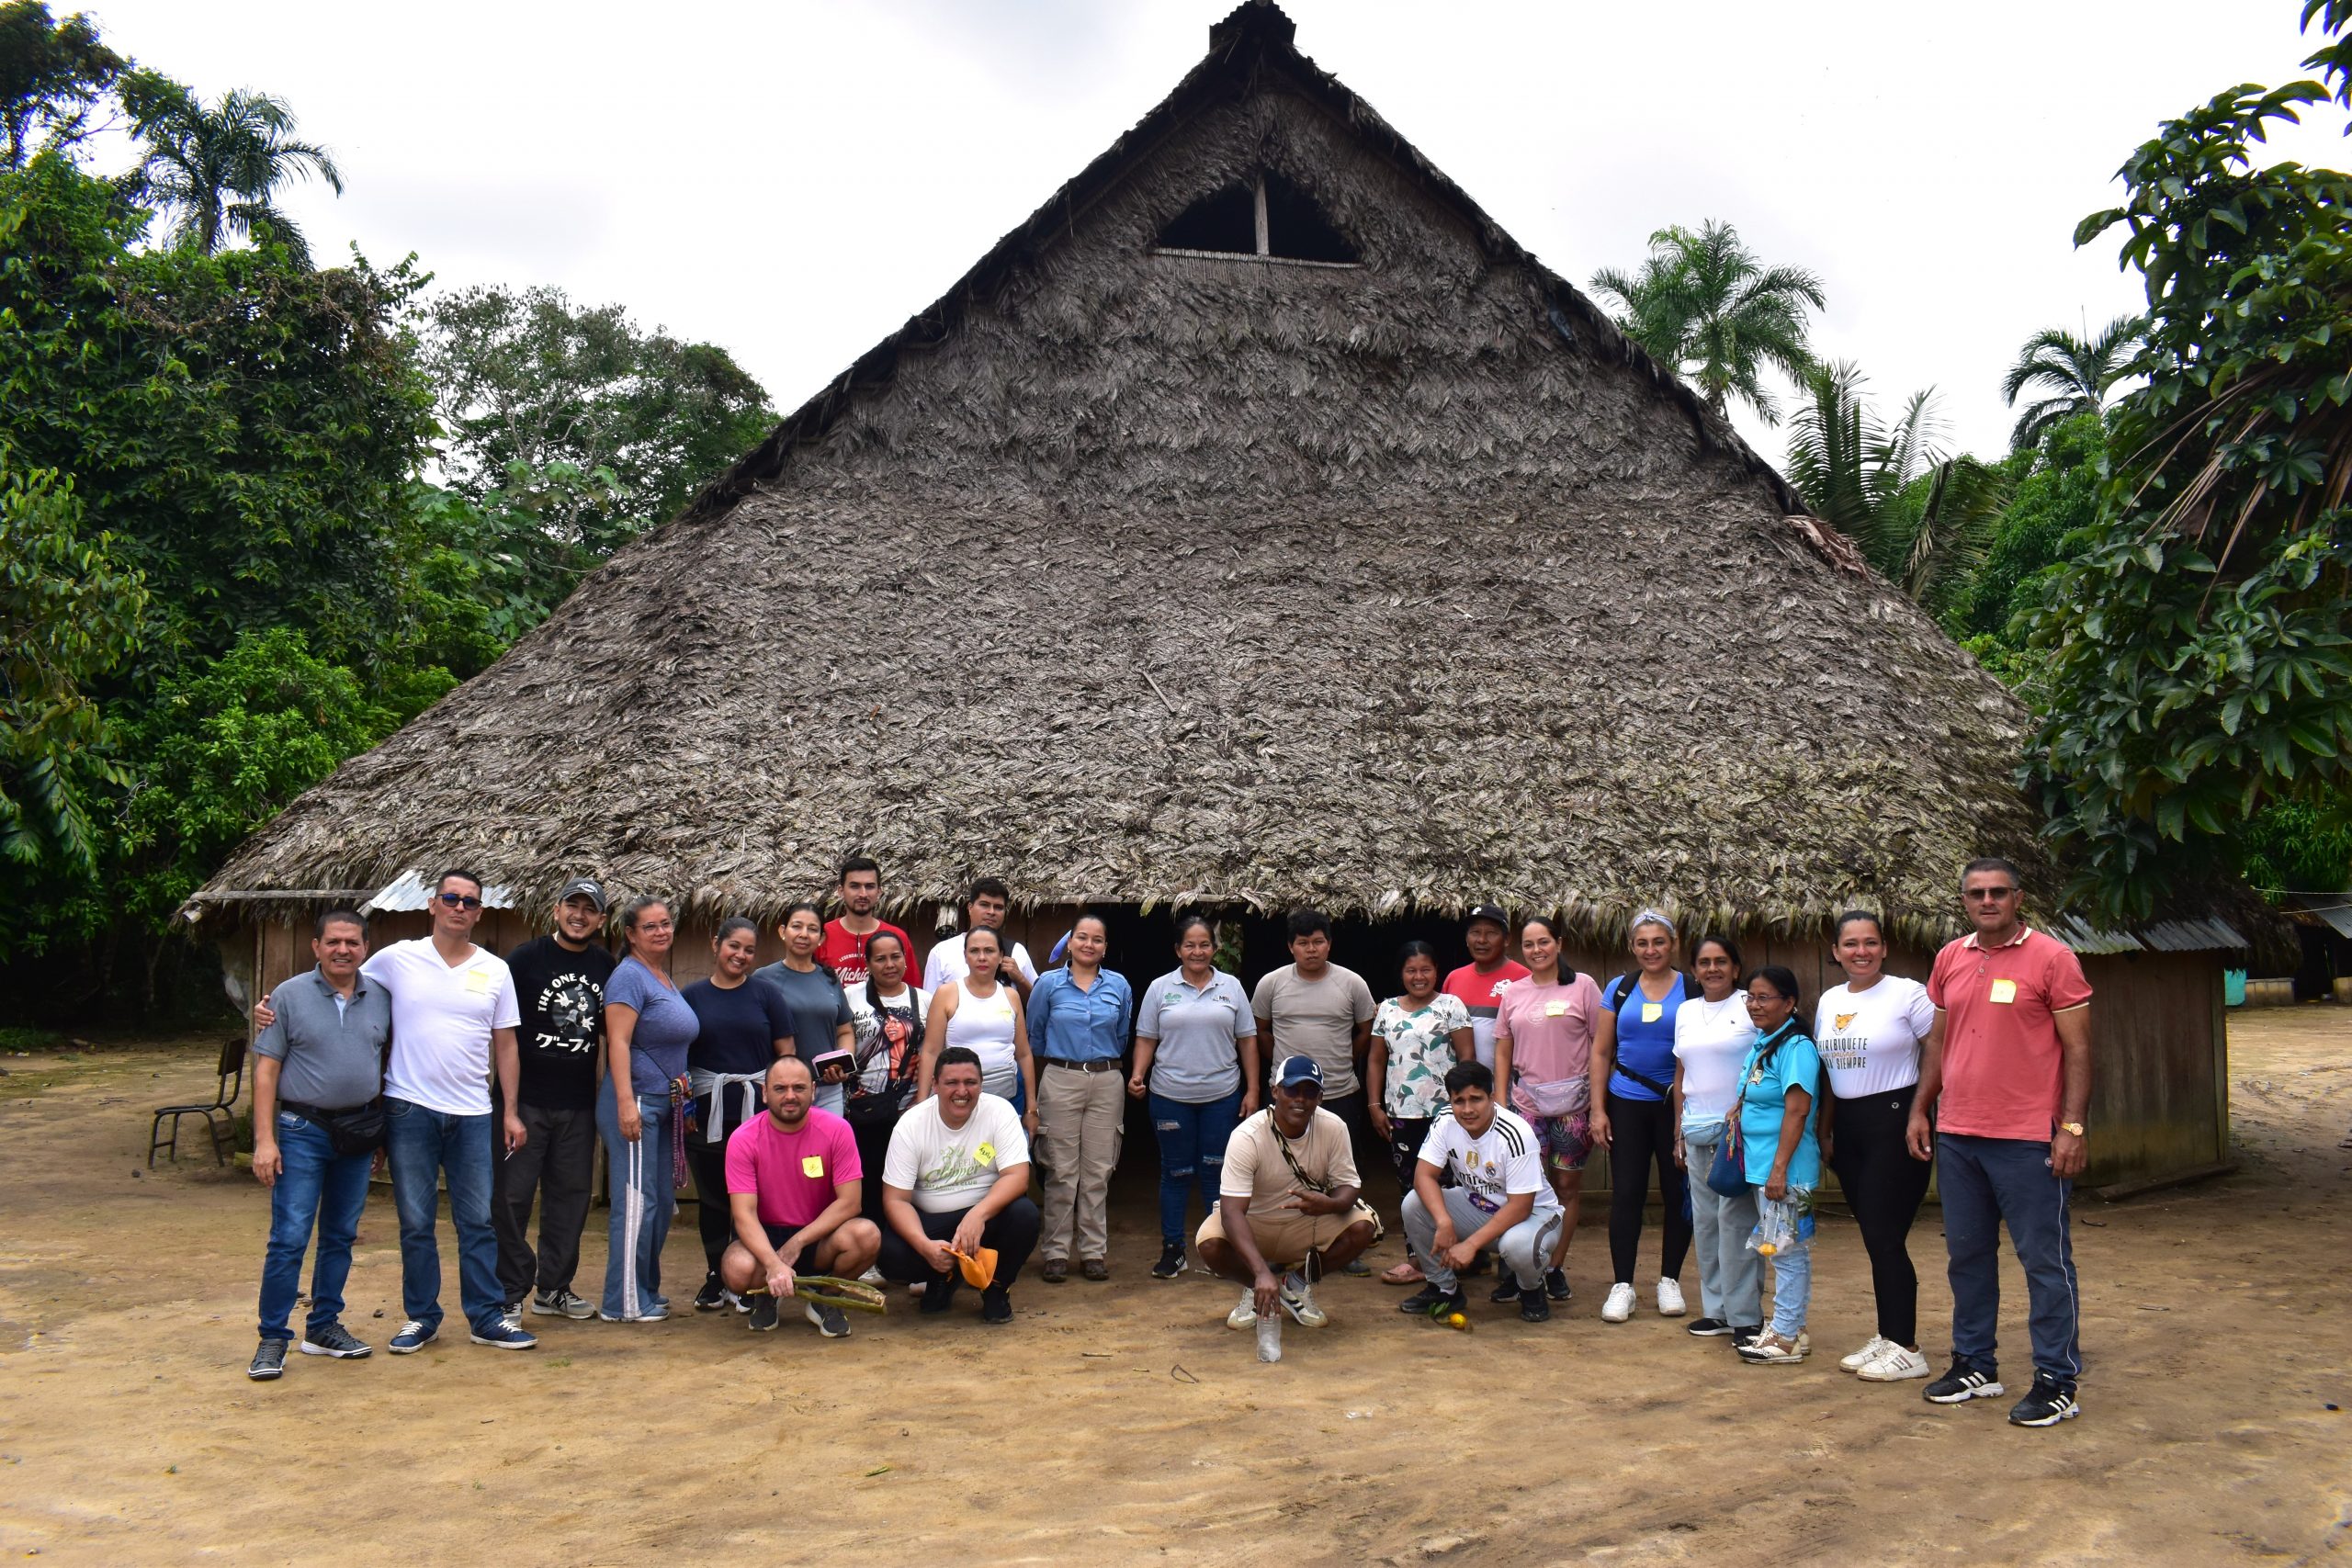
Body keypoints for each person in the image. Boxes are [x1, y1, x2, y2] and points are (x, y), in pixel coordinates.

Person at [1907, 856, 2094, 1427]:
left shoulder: (2053, 959)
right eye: (1975, 894)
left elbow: (2081, 1051)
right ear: (1964, 901)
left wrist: (2072, 1128)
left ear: (2017, 899)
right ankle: (1974, 1364)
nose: (1986, 901)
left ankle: (2057, 1379)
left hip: (2026, 1138)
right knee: (1966, 1255)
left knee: (2043, 1259)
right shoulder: (1949, 959)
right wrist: (1921, 1108)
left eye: (1997, 893)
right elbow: (1939, 1045)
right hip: (1959, 1133)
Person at [366, 869, 536, 1353]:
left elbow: (506, 1045)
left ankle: (486, 1317)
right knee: (416, 1221)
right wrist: (279, 1003)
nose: (459, 907)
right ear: (432, 904)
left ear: (480, 912)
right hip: (410, 1108)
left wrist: (511, 1111)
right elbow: (343, 982)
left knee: (477, 1221)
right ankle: (421, 1317)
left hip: (472, 1111)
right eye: (451, 898)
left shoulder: (494, 969)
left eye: (469, 902)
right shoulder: (398, 959)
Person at [244, 909, 391, 1380]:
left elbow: (386, 1062)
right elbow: (266, 1069)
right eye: (333, 942)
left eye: (352, 942)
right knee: (289, 1237)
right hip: (301, 1130)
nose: (342, 950)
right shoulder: (287, 997)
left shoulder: (382, 998)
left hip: (358, 1133)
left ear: (365, 947)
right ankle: (272, 1338)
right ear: (316, 946)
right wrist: (264, 1140)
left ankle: (324, 1325)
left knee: (340, 1235)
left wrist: (380, 1134)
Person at [1817, 909, 1938, 1382]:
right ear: (1835, 952)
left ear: (1884, 948)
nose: (1860, 951)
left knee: (1886, 1237)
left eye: (1870, 942)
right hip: (1849, 1128)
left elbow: (1940, 1051)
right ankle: (1889, 1335)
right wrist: (1826, 1130)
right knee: (1874, 1237)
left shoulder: (1909, 994)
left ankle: (1907, 1345)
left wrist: (1919, 1112)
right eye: (1850, 944)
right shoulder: (1830, 1000)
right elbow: (1828, 1073)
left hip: (1896, 1122)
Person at [1196, 1055, 1378, 1363]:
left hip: (1307, 1222)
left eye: (1310, 1093)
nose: (1301, 1100)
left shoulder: (1334, 1127)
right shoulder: (1247, 1135)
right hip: (1253, 1223)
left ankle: (1294, 1285)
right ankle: (1258, 1288)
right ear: (1275, 1091)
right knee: (1209, 1243)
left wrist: (1330, 1204)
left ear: (1321, 1097)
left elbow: (1349, 1185)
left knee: (1363, 1227)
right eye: (1292, 1091)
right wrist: (1259, 1272)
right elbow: (1231, 1212)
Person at [493, 875, 616, 1324]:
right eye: (572, 905)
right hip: (523, 1101)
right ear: (556, 909)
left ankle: (554, 1288)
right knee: (512, 1198)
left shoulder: (606, 965)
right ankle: (508, 1292)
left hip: (578, 1103)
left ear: (601, 919)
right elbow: (493, 1022)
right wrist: (507, 1107)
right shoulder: (525, 959)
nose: (579, 914)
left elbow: (620, 1031)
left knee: (571, 1196)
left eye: (589, 908)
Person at [1131, 914, 1259, 1280]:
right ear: (1177, 949)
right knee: (1175, 1173)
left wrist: (1251, 1090)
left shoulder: (1231, 987)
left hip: (1222, 1095)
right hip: (1170, 1095)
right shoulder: (1160, 988)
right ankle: (1174, 1249)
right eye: (1190, 945)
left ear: (1215, 949)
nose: (1197, 951)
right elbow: (1146, 1038)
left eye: (1204, 944)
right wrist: (1138, 1074)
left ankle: (1218, 1249)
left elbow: (1247, 1040)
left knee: (1216, 1173)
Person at [718, 1055, 882, 1337]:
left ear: (814, 1091)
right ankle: (767, 1295)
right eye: (780, 1088)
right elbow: (743, 1214)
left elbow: (850, 1202)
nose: (790, 1096)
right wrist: (772, 1263)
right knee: (737, 1268)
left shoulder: (837, 1129)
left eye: (799, 1087)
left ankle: (826, 1299)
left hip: (819, 1237)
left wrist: (798, 1242)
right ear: (765, 1093)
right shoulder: (744, 1138)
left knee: (866, 1235)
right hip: (765, 1237)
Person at [1250, 908, 1375, 1271]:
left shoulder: (1352, 984)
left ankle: (1345, 1242)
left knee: (1342, 1169)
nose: (1311, 950)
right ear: (1290, 947)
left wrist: (1338, 1064)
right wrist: (1286, 1074)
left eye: (1318, 942)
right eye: (1303, 943)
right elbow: (1261, 1031)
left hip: (1339, 1090)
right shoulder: (1272, 983)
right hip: (1287, 1095)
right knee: (1281, 1168)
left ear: (1329, 944)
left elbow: (1365, 1032)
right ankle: (1279, 1244)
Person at [876, 1046, 1041, 1324]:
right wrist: (924, 1246)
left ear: (981, 1084)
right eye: (951, 1082)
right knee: (891, 1254)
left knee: (1025, 1214)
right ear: (935, 1085)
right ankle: (943, 1276)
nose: (961, 1091)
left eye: (970, 1082)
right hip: (933, 1221)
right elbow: (895, 1200)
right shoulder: (911, 1124)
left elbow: (1017, 1176)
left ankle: (996, 1288)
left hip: (986, 1217)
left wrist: (977, 1215)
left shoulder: (1000, 1112)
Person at [683, 917, 796, 1312]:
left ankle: (751, 1278)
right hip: (708, 1113)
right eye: (734, 946)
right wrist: (685, 1105)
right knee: (714, 1200)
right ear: (716, 945)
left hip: (757, 1115)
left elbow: (786, 1053)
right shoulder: (692, 996)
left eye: (749, 950)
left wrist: (785, 1104)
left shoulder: (766, 996)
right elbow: (681, 1054)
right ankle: (716, 1276)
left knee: (754, 1201)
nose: (741, 956)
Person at [1397, 1060, 1566, 1323]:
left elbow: (1520, 1206)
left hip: (1535, 1215)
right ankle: (1444, 1289)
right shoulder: (1445, 1120)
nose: (1467, 1109)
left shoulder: (1516, 1132)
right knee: (1414, 1204)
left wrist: (1471, 1245)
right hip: (1479, 1206)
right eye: (1458, 1101)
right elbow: (1423, 1176)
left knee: (1518, 1246)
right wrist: (1443, 1222)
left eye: (1476, 1099)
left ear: (1492, 1097)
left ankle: (1531, 1289)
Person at [598, 896, 700, 1323]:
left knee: (658, 1200)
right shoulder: (628, 977)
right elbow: (617, 1042)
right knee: (636, 1202)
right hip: (636, 1099)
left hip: (664, 1102)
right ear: (630, 934)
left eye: (665, 924)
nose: (661, 931)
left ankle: (644, 1288)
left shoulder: (660, 976)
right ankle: (620, 1302)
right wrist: (626, 1103)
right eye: (650, 926)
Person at [1590, 910, 1695, 1324]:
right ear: (1632, 947)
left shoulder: (1692, 988)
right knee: (1628, 1193)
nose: (1651, 950)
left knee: (1676, 1192)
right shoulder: (1619, 989)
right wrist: (1598, 1109)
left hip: (1678, 1103)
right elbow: (1601, 1051)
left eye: (1659, 942)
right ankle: (1623, 1285)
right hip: (1626, 1101)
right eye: (1642, 943)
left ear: (1673, 944)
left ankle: (1670, 1279)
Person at [1491, 915, 1601, 1305]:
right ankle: (1521, 1270)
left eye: (1544, 942)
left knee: (1567, 1188)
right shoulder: (1514, 992)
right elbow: (1503, 1046)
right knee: (1523, 1191)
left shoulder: (1583, 987)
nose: (1537, 950)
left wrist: (1599, 1104)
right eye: (1529, 944)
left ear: (1559, 943)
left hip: (1575, 1109)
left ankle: (1553, 1267)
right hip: (1526, 1107)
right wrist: (1500, 1102)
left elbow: (1600, 1046)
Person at [1027, 913, 1135, 1283]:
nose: (1089, 944)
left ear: (1105, 948)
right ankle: (1056, 1252)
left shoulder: (1119, 986)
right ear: (1070, 942)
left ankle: (1092, 1251)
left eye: (1098, 939)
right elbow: (1035, 1035)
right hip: (1061, 1077)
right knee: (1060, 1169)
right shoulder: (1048, 985)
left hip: (1107, 1080)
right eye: (1082, 937)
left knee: (1098, 1170)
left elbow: (1122, 1037)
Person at [1669, 933, 1761, 1344]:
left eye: (1721, 961)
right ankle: (1717, 1310)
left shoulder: (1749, 1005)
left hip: (1737, 1135)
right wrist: (1677, 1128)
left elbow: (1764, 1061)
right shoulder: (1685, 1011)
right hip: (1695, 1129)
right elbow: (1681, 1071)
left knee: (1737, 1223)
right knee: (1706, 1224)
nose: (1712, 969)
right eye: (1704, 962)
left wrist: (1744, 1110)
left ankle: (1746, 1317)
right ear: (1694, 970)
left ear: (1736, 968)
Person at [1366, 941, 1473, 1285]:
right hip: (1402, 1114)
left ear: (1436, 971)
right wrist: (1374, 1105)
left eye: (1425, 969)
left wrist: (1467, 1107)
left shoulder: (1451, 1006)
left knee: (1454, 1184)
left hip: (1448, 1114)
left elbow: (1467, 1058)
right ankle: (1418, 1260)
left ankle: (1459, 1255)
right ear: (1401, 973)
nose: (1419, 976)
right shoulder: (1387, 1009)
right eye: (1411, 970)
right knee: (1411, 1187)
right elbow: (1376, 1060)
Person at [1733, 966, 1825, 1366]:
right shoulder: (1765, 1041)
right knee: (1781, 1250)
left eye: (1764, 997)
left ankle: (1785, 1336)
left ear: (1789, 1003)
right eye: (1750, 997)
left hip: (1784, 1169)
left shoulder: (1796, 1048)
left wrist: (1779, 1170)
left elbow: (1799, 1109)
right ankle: (1793, 1328)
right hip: (1763, 1167)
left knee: (1787, 1253)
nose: (1755, 1005)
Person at [842, 928, 928, 1226]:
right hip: (863, 1111)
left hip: (912, 1110)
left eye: (896, 957)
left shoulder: (925, 1000)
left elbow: (934, 1052)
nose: (889, 964)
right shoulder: (850, 998)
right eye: (880, 959)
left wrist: (922, 1100)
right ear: (867, 964)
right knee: (869, 1180)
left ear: (905, 960)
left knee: (908, 1182)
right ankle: (870, 1249)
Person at [918, 925, 1037, 1128]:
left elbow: (1024, 1054)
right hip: (959, 1097)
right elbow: (931, 1051)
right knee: (963, 1156)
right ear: (965, 956)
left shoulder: (1011, 996)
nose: (982, 957)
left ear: (1001, 956)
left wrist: (1031, 1108)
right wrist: (922, 1104)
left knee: (1005, 1157)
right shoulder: (947, 994)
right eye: (974, 951)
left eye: (989, 951)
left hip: (1008, 1096)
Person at [752, 902, 858, 1116]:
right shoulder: (763, 979)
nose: (804, 934)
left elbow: (845, 1031)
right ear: (783, 931)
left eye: (812, 929)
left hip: (828, 1090)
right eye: (797, 926)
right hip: (784, 1091)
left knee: (826, 1148)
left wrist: (843, 1065)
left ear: (821, 938)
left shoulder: (829, 979)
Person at [1442, 903, 1529, 1070]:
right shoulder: (1454, 978)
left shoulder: (1523, 979)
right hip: (1463, 1088)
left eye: (1491, 933)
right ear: (1467, 939)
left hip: (1509, 1088)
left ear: (1507, 940)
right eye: (1475, 932)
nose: (1481, 940)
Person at [921, 876, 1040, 998]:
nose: (991, 912)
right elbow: (930, 1003)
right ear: (970, 908)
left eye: (998, 907)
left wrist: (1020, 979)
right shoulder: (942, 951)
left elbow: (1039, 1004)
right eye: (984, 905)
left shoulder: (1016, 951)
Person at [817, 855, 914, 993]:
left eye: (869, 887)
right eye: (855, 886)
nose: (863, 894)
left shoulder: (897, 937)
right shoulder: (821, 936)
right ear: (841, 891)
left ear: (879, 891)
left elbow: (912, 992)